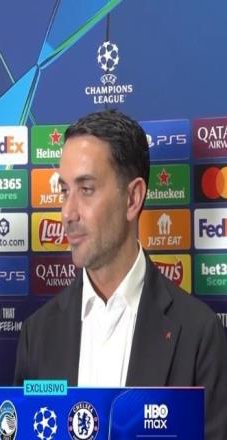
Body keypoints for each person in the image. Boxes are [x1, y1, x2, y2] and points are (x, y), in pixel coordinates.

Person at [14, 110, 227, 439]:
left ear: (132, 198)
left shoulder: (199, 334)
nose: (67, 213)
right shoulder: (37, 334)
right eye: (64, 191)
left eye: (86, 189)